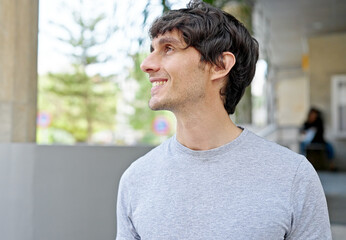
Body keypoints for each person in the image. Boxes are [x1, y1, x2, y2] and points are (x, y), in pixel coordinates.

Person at [116, 1, 331, 239]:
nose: (146, 64)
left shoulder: (293, 176)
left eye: (168, 48)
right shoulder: (136, 179)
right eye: (152, 50)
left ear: (219, 65)